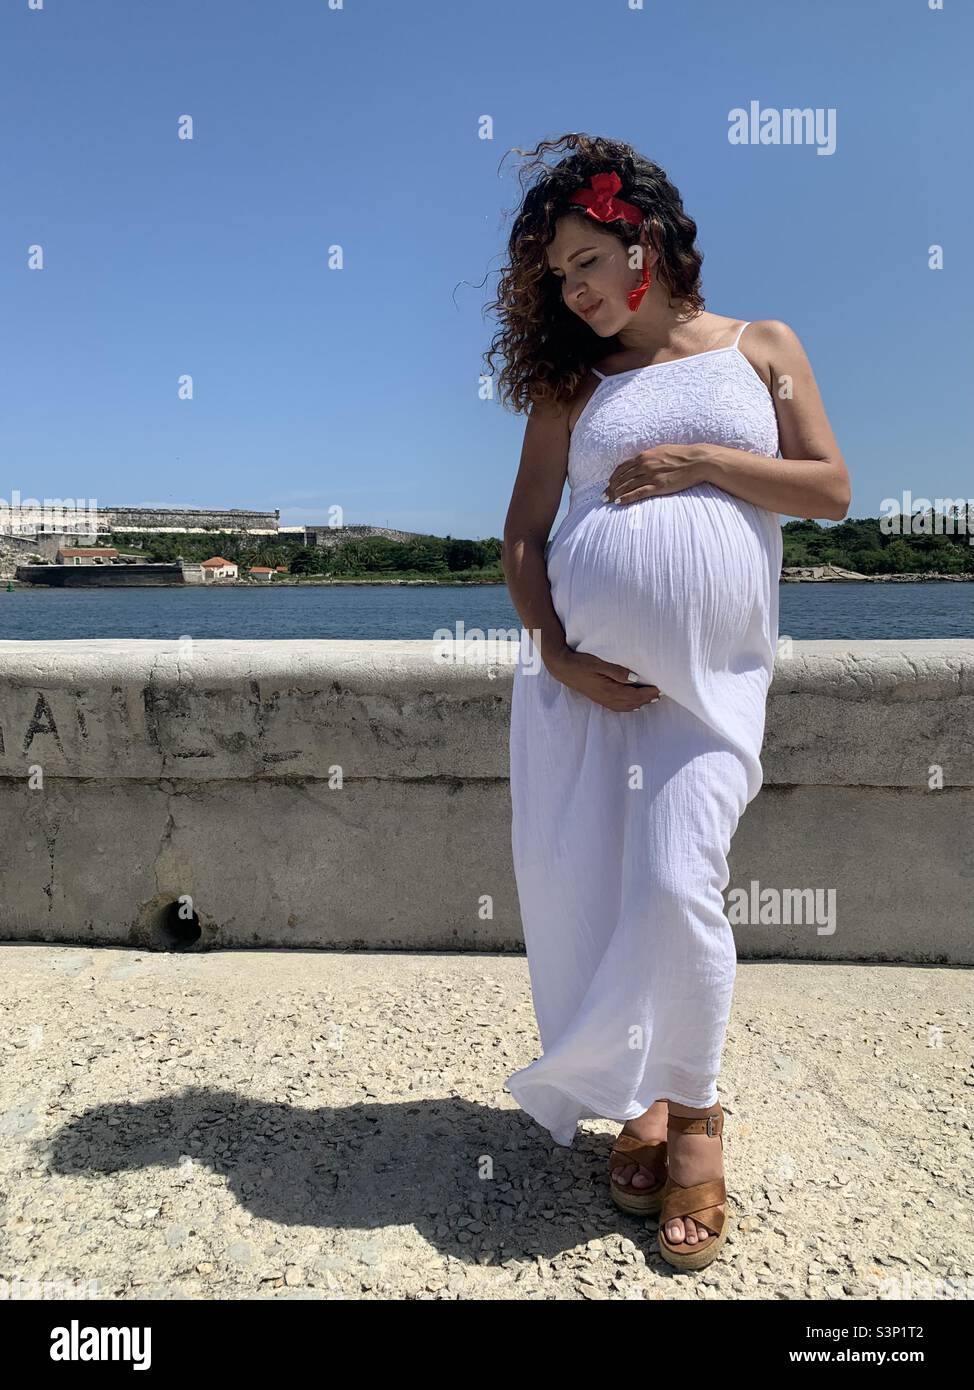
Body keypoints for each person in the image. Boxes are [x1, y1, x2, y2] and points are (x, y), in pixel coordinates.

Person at [488, 134, 849, 1271]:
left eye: (591, 259)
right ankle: (640, 1105)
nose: (578, 289)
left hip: (705, 693)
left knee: (673, 881)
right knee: (593, 894)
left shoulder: (761, 347)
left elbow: (829, 488)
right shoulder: (568, 384)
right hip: (585, 696)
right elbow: (521, 532)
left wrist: (701, 458)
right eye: (559, 277)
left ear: (645, 236)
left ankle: (694, 1120)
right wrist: (553, 651)